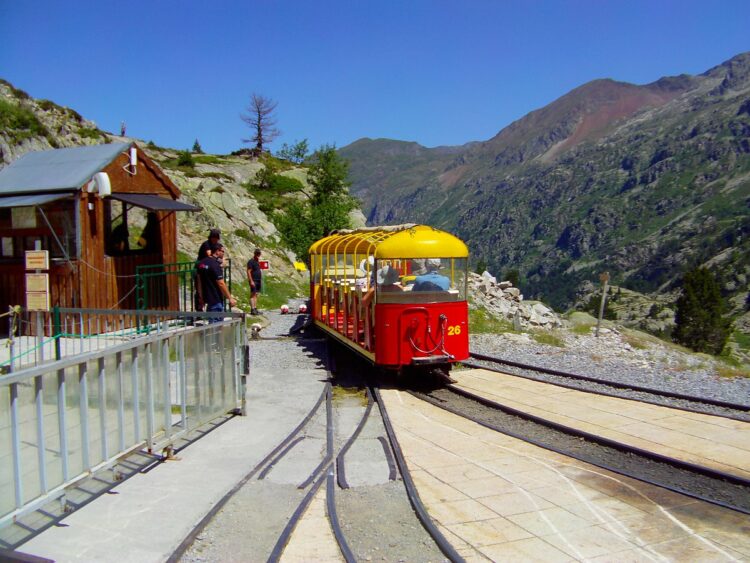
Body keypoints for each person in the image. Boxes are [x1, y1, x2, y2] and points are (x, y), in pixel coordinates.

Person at [197, 244, 236, 322]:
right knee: (216, 326)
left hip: (207, 298)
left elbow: (199, 281)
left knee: (211, 323)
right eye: (222, 251)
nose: (223, 253)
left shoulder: (202, 263)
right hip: (215, 299)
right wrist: (230, 298)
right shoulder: (215, 265)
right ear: (217, 251)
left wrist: (201, 297)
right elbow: (221, 283)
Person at [194, 228, 222, 311]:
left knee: (209, 288)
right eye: (215, 236)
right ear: (211, 237)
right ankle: (199, 308)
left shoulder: (217, 245)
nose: (216, 239)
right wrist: (217, 260)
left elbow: (221, 254)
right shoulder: (206, 244)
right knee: (199, 289)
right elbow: (209, 254)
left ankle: (208, 307)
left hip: (209, 269)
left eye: (217, 237)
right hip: (201, 268)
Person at [246, 248, 263, 315]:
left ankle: (255, 308)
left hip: (258, 280)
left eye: (259, 254)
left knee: (256, 294)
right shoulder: (251, 261)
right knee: (253, 294)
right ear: (254, 254)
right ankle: (252, 309)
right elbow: (248, 271)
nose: (258, 255)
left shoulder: (257, 261)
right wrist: (251, 281)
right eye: (257, 254)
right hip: (254, 280)